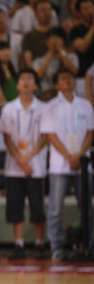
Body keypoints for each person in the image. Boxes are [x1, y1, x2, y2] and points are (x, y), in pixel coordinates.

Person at [40, 69, 94, 261]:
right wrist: (68, 155)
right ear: (56, 85)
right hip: (59, 164)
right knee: (55, 209)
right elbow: (50, 136)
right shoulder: (50, 107)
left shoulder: (85, 105)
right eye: (63, 79)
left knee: (86, 207)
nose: (69, 81)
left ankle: (88, 245)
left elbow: (90, 133)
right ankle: (56, 246)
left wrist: (78, 155)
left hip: (82, 163)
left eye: (71, 78)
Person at [0, 69, 48, 259]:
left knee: (37, 206)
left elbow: (46, 136)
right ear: (17, 85)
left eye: (30, 79)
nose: (26, 82)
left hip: (36, 165)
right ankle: (18, 244)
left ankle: (40, 243)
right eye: (22, 79)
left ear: (35, 85)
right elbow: (7, 138)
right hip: (14, 166)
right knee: (15, 206)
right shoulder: (8, 109)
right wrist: (20, 158)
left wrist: (29, 156)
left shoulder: (44, 108)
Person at [33, 27, 79, 92]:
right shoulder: (38, 60)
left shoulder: (72, 56)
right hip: (47, 93)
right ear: (46, 42)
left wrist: (61, 51)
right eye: (52, 39)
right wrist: (49, 55)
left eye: (58, 38)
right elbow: (38, 77)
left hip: (68, 91)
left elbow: (73, 72)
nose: (55, 41)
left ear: (63, 40)